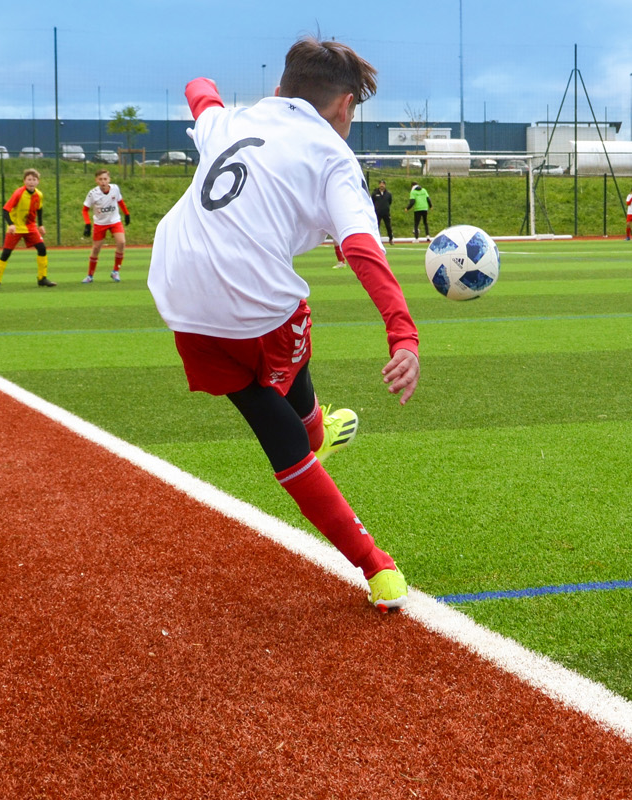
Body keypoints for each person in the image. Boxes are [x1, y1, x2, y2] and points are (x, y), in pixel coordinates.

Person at [148, 37, 418, 611]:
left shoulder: (237, 121)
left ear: (280, 88)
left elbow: (200, 92)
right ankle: (375, 561)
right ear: (344, 106)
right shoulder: (332, 156)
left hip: (175, 291)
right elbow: (365, 252)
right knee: (288, 397)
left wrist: (206, 86)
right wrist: (403, 334)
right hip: (259, 304)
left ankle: (319, 438)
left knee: (262, 399)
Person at [0, 168, 55, 289]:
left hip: (30, 227)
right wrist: (11, 224)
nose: (31, 182)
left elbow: (40, 209)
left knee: (42, 249)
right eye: (29, 179)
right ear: (24, 181)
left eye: (34, 179)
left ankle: (42, 278)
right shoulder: (18, 193)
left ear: (38, 181)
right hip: (16, 228)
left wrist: (41, 225)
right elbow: (5, 210)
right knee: (6, 253)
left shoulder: (39, 194)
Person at [80, 169, 130, 284]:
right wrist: (87, 223)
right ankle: (90, 275)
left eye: (105, 179)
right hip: (100, 223)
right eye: (100, 179)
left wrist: (127, 214)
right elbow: (84, 210)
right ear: (96, 180)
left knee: (121, 242)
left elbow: (120, 201)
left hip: (114, 221)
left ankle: (115, 271)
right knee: (96, 248)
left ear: (109, 179)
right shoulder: (93, 193)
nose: (103, 182)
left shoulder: (115, 189)